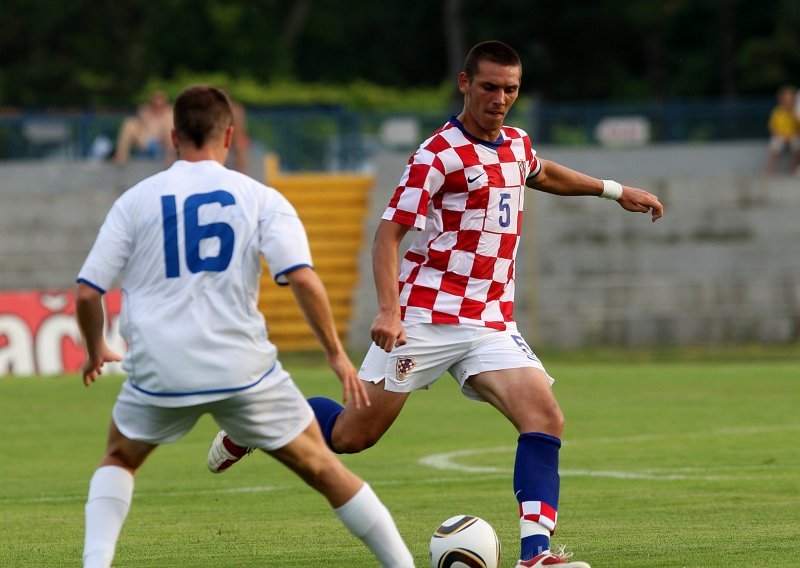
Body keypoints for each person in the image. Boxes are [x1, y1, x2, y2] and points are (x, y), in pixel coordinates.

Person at [210, 41, 664, 568]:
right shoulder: (437, 154)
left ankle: (535, 556)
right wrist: (389, 309)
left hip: (490, 322)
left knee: (544, 417)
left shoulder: (516, 144)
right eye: (490, 87)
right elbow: (387, 235)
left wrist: (613, 189)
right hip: (424, 317)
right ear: (465, 83)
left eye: (511, 89)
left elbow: (539, 173)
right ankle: (258, 419)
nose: (500, 99)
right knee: (353, 436)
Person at [75, 84, 414, 568]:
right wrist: (337, 355)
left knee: (119, 459)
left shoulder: (136, 200)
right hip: (242, 369)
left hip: (160, 367)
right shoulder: (260, 198)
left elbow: (88, 292)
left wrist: (95, 349)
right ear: (229, 135)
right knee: (323, 468)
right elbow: (302, 278)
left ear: (173, 136)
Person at [113, 90, 176, 165]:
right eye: (155, 102)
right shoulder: (144, 112)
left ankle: (171, 155)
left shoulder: (169, 113)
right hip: (145, 142)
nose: (157, 105)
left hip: (162, 145)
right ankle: (121, 155)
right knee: (130, 123)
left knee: (169, 126)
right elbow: (139, 128)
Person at [763, 85, 800, 177]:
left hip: (793, 135)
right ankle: (770, 170)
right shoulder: (777, 111)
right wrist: (782, 135)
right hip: (781, 135)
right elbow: (773, 127)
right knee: (775, 145)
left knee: (797, 146)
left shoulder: (796, 111)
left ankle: (793, 169)